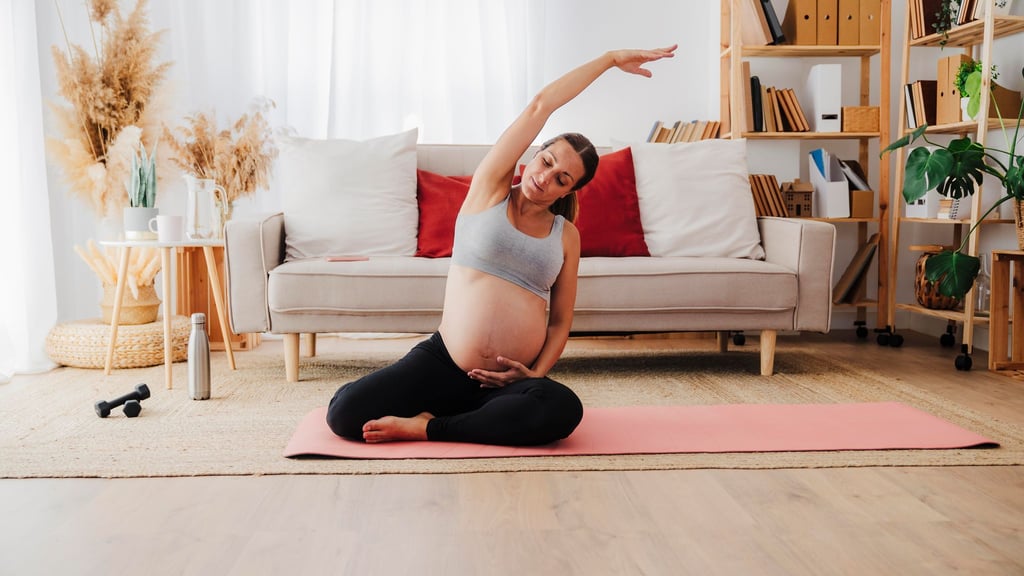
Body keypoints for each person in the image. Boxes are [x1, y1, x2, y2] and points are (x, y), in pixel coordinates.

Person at [326, 45, 677, 446]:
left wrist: (537, 373)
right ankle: (467, 420)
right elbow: (540, 105)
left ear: (572, 189)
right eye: (548, 162)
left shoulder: (566, 235)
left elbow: (560, 320)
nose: (547, 178)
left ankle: (428, 426)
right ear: (537, 153)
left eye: (563, 179)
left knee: (561, 409)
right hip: (443, 363)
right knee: (344, 412)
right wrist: (609, 60)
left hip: (506, 381)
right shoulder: (489, 191)